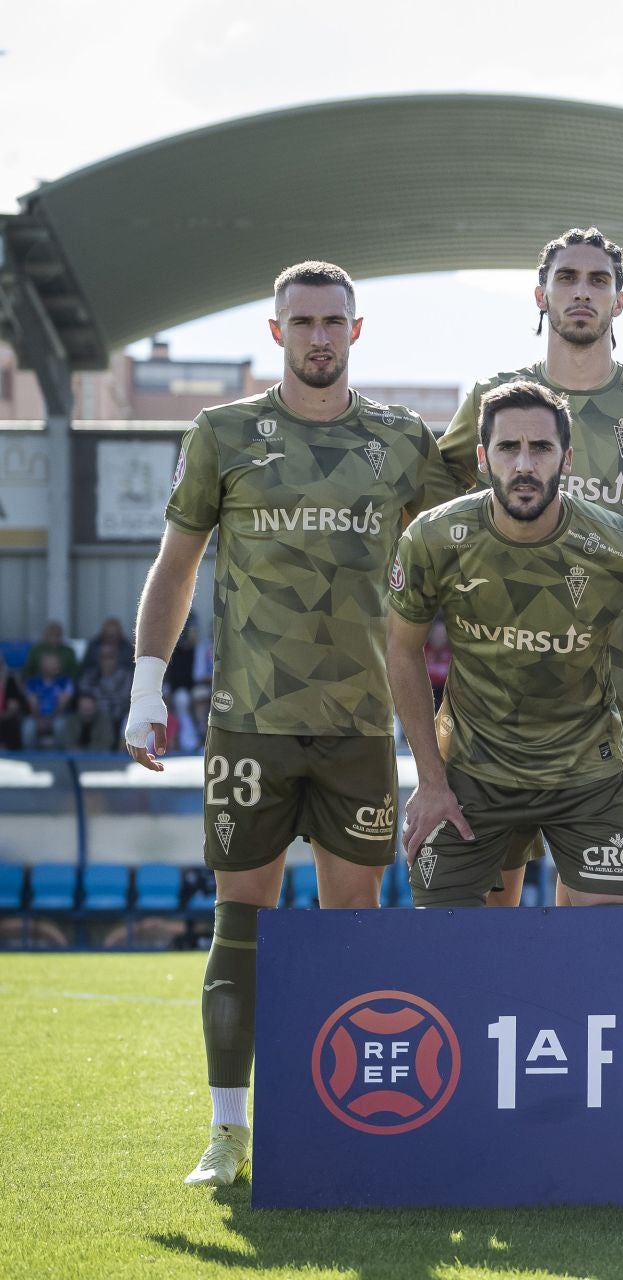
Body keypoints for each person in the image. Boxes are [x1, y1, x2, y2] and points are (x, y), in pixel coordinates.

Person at [124, 261, 441, 1188]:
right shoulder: (223, 435)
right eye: (300, 321)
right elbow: (175, 567)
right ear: (276, 333)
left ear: (356, 329)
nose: (317, 336)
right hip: (250, 725)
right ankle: (228, 1135)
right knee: (242, 920)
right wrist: (149, 692)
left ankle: (347, 1126)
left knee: (354, 924)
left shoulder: (401, 442)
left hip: (359, 727)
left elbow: (453, 555)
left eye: (332, 321)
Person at [438, 228, 623, 906]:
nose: (583, 292)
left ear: (620, 301)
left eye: (598, 281)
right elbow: (433, 519)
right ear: (542, 295)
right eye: (568, 279)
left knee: (603, 909)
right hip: (497, 691)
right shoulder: (492, 400)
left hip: (616, 680)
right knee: (483, 903)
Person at [389, 381, 623, 908]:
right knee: (449, 958)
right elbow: (401, 651)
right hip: (473, 775)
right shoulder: (434, 539)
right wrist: (432, 781)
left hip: (586, 776)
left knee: (609, 953)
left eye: (541, 448)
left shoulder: (613, 542)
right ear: (483, 458)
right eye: (508, 448)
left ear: (566, 458)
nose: (524, 464)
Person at [22, 650, 73, 749]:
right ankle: (30, 758)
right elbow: (32, 703)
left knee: (59, 725)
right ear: (43, 666)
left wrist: (51, 719)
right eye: (52, 663)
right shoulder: (32, 682)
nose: (57, 666)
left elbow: (63, 703)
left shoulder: (65, 682)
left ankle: (60, 758)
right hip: (37, 716)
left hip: (58, 716)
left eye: (57, 663)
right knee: (28, 726)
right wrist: (39, 719)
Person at [79, 645, 133, 731]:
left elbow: (124, 701)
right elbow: (85, 697)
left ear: (117, 658)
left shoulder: (126, 676)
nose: (106, 661)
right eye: (103, 657)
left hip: (119, 719)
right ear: (98, 659)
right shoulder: (90, 675)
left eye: (110, 657)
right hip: (94, 719)